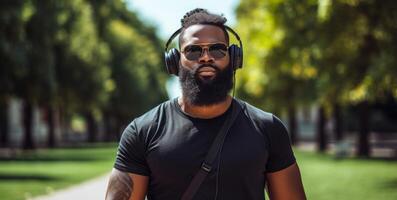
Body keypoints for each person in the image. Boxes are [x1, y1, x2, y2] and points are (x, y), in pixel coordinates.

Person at [105, 8, 306, 200]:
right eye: (193, 51)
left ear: (234, 58)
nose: (206, 57)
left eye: (218, 49)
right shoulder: (142, 131)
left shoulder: (268, 128)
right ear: (175, 62)